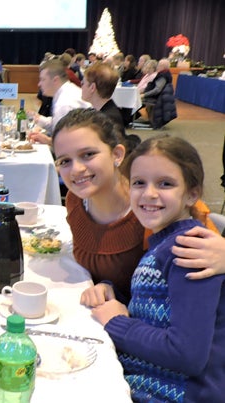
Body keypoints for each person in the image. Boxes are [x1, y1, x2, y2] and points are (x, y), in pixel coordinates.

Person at [91, 135, 224, 402]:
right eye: (139, 183)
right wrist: (113, 292)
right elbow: (158, 306)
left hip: (175, 394)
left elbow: (187, 354)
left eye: (165, 183)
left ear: (192, 194)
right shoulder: (164, 242)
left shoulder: (190, 250)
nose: (149, 193)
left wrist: (117, 323)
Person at [51, 109, 223, 305]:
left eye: (88, 154)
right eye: (65, 161)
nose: (76, 169)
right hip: (99, 309)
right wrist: (107, 287)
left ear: (116, 154)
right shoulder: (75, 201)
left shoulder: (152, 209)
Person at [80, 62, 140, 153]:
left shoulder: (106, 119)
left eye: (83, 83)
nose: (81, 87)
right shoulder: (105, 110)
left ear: (92, 88)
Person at [29, 59, 90, 144]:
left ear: (55, 80)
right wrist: (39, 119)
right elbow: (59, 124)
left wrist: (47, 140)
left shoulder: (65, 103)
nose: (39, 84)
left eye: (43, 79)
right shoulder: (67, 91)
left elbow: (67, 144)